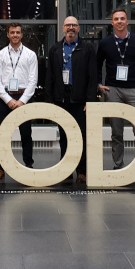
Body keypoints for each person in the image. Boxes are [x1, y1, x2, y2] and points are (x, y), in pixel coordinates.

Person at [97, 9, 135, 185]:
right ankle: (118, 167)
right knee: (116, 132)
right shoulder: (105, 43)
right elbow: (96, 63)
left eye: (122, 18)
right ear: (112, 23)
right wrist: (99, 85)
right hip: (113, 90)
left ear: (127, 21)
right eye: (116, 19)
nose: (119, 21)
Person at [45, 16, 98, 184]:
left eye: (74, 25)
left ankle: (81, 171)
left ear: (78, 28)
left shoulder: (87, 48)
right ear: (63, 28)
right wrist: (50, 100)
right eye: (68, 25)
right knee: (64, 135)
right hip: (61, 99)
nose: (71, 27)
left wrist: (90, 101)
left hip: (80, 100)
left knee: (81, 135)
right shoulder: (55, 49)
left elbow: (92, 76)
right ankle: (66, 169)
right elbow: (50, 76)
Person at [0, 23, 38, 181]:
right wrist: (8, 100)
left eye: (18, 32)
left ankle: (28, 166)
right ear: (8, 35)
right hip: (5, 99)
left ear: (22, 35)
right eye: (12, 32)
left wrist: (22, 101)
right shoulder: (0, 55)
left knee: (26, 134)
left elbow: (33, 81)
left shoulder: (30, 55)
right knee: (3, 135)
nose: (15, 35)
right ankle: (0, 169)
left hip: (24, 99)